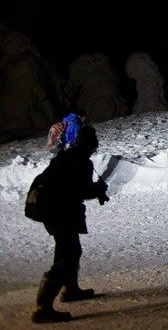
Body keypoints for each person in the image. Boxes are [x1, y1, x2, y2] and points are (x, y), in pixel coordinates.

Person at [31, 125, 109, 324]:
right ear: (89, 145)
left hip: (53, 211)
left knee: (71, 250)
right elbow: (81, 191)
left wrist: (95, 189)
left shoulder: (66, 157)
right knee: (67, 255)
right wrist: (98, 189)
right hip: (60, 213)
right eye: (93, 146)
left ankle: (71, 289)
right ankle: (43, 307)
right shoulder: (81, 162)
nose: (94, 150)